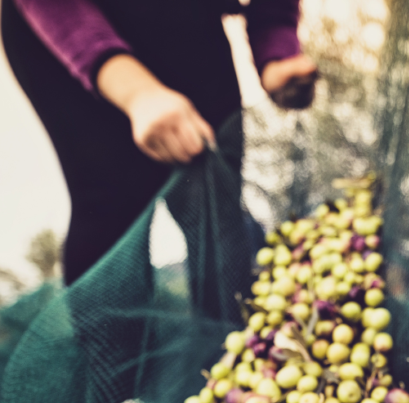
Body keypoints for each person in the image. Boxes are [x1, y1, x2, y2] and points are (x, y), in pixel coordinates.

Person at [2, 0, 318, 286]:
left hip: (185, 17)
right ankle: (118, 349)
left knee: (216, 199)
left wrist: (275, 43)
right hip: (63, 23)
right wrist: (136, 92)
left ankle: (232, 335)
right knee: (112, 199)